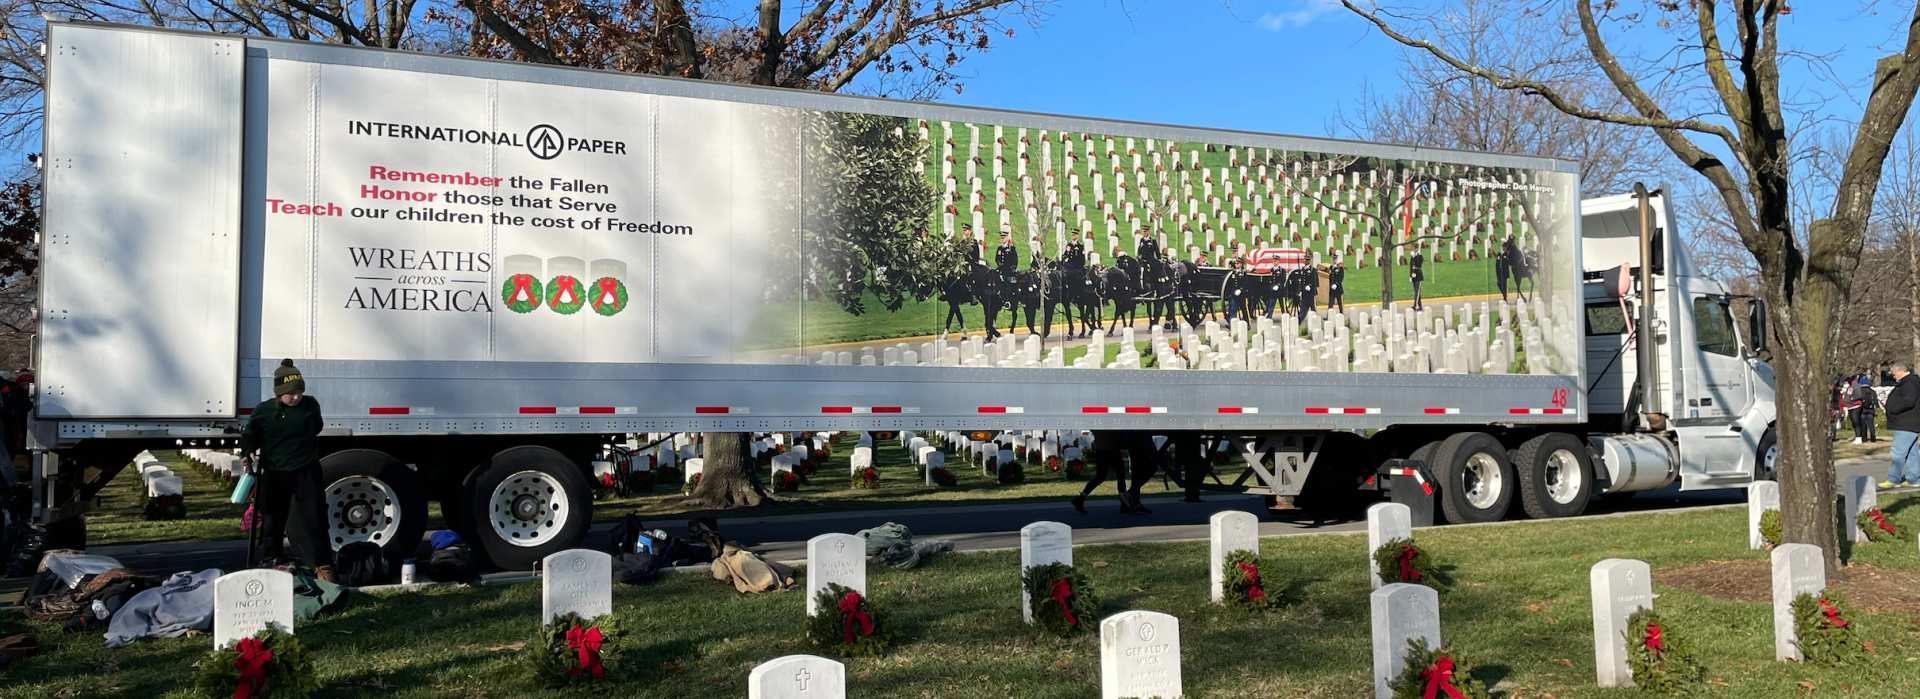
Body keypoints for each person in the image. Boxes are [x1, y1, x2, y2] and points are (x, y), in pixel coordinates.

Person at [240, 359, 331, 569]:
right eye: (291, 393)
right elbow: (249, 435)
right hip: (274, 471)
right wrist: (247, 451)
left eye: (300, 392)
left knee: (314, 517)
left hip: (306, 469)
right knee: (273, 517)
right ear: (279, 392)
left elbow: (317, 427)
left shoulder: (310, 405)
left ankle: (322, 563)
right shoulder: (264, 411)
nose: (297, 397)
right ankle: (273, 557)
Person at [1881, 362, 1920, 488]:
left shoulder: (1909, 383)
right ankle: (1914, 479)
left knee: (1898, 453)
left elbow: (1909, 400)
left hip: (1906, 423)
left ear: (1900, 371)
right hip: (1908, 423)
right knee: (1911, 453)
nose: (1893, 376)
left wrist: (1894, 409)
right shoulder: (1909, 382)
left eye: (1893, 373)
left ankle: (1893, 479)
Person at [1853, 376, 1879, 443]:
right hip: (1871, 410)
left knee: (1863, 425)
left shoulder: (1860, 391)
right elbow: (1876, 401)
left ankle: (1864, 439)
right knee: (1871, 425)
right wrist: (1877, 408)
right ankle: (1873, 439)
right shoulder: (1872, 391)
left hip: (1862, 409)